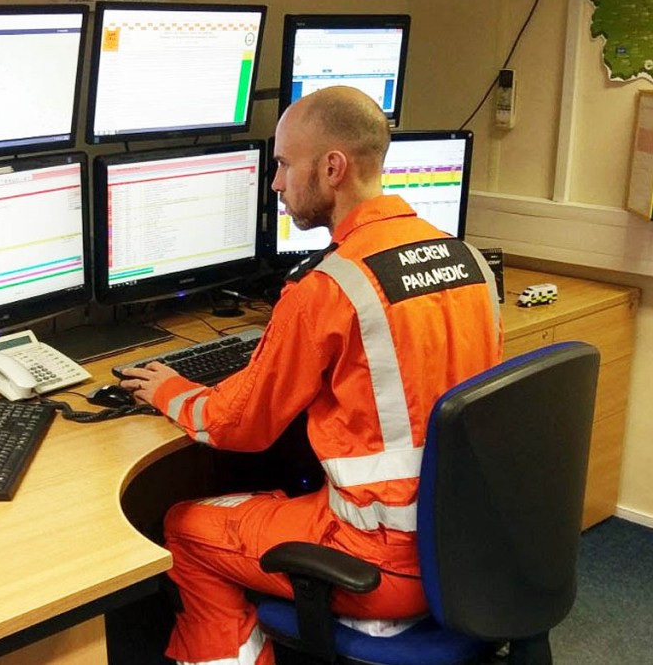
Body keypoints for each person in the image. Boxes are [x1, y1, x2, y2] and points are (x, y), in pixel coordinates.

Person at [118, 86, 504, 665]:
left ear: (331, 168)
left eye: (283, 164)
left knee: (185, 524)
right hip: (463, 549)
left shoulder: (331, 286)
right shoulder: (468, 260)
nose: (275, 183)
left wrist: (169, 389)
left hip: (377, 560)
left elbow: (241, 424)